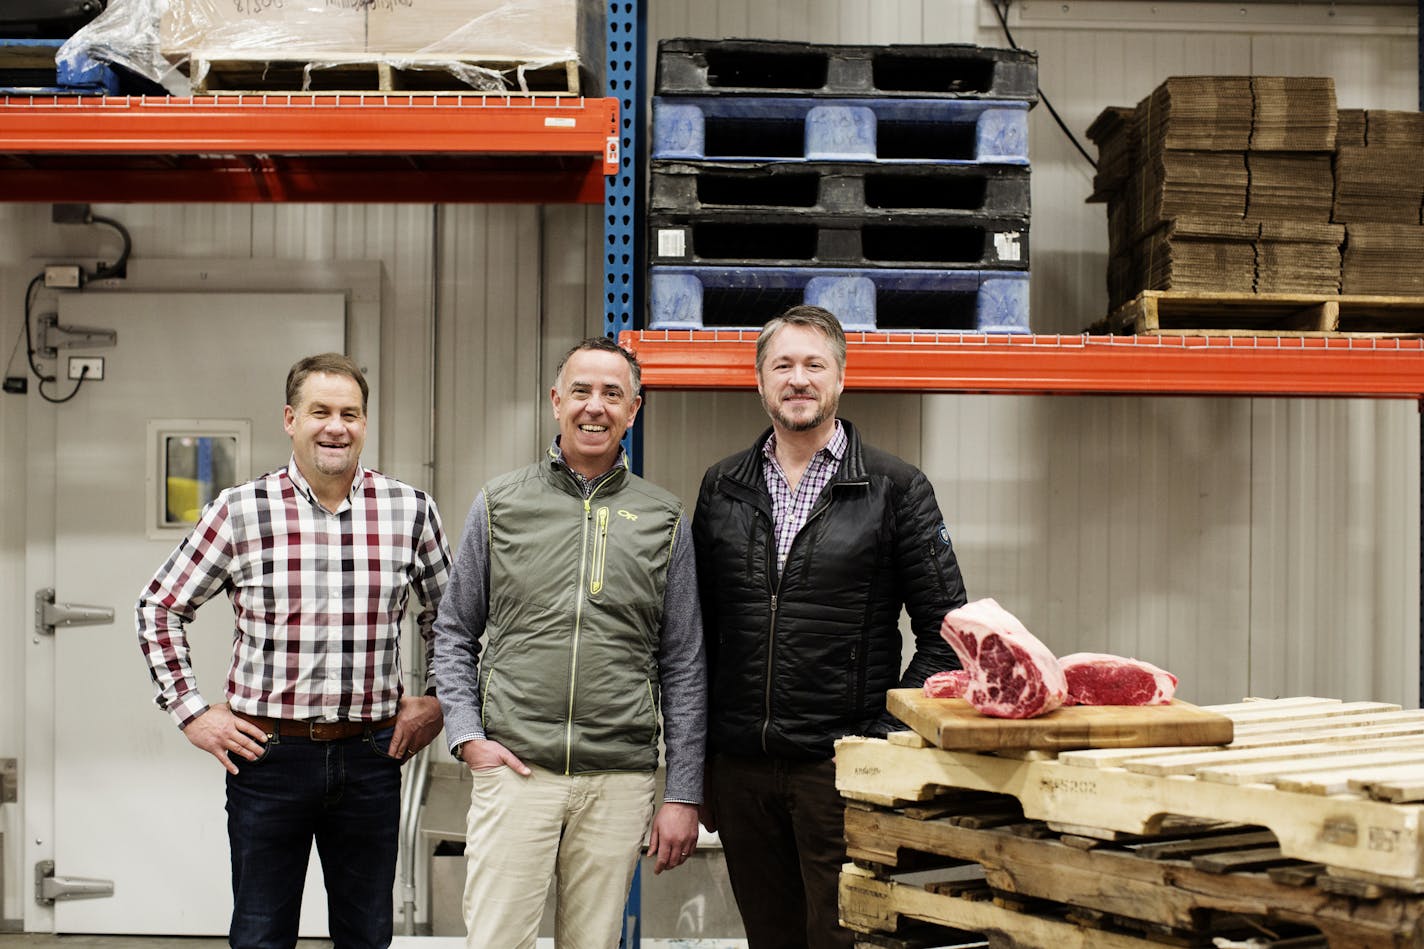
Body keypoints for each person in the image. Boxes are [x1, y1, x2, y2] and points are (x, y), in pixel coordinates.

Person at [136, 352, 451, 949]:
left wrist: (438, 700)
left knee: (366, 934)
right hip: (268, 758)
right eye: (320, 412)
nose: (337, 427)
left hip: (371, 757)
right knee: (260, 934)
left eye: (351, 414)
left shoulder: (410, 510)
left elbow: (452, 620)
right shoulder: (239, 511)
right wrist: (193, 713)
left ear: (365, 423)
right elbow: (158, 607)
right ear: (290, 419)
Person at [692, 305, 968, 949]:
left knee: (844, 940)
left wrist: (882, 739)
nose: (798, 379)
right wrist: (698, 764)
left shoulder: (896, 488)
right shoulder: (722, 486)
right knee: (771, 939)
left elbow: (947, 634)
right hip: (742, 771)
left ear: (840, 380)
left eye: (814, 364)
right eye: (781, 365)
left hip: (839, 770)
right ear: (759, 383)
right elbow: (696, 635)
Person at [433, 335, 706, 949]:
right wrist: (467, 735)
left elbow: (684, 663)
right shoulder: (501, 504)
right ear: (556, 401)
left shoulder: (664, 518)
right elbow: (453, 631)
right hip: (515, 767)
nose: (595, 406)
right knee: (498, 942)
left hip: (619, 777)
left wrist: (683, 789)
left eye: (613, 394)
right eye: (581, 391)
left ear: (634, 410)